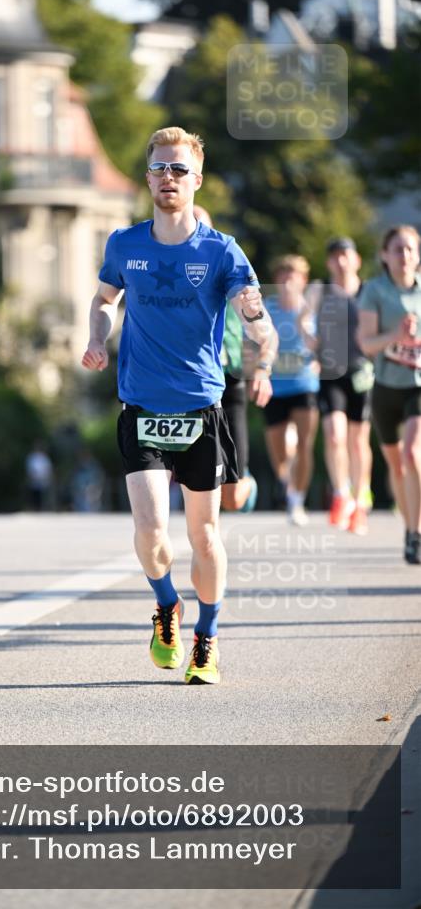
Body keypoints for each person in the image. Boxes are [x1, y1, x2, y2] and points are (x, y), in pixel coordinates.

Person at [81, 126, 276, 685]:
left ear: (196, 180)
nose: (169, 178)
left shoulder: (221, 251)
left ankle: (208, 638)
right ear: (148, 177)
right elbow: (104, 300)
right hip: (141, 406)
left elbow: (254, 313)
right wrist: (98, 336)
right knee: (149, 531)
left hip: (200, 410)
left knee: (204, 536)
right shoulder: (124, 244)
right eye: (160, 168)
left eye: (179, 170)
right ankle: (167, 605)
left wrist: (261, 338)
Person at [194, 205, 275, 512]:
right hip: (187, 382)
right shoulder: (170, 275)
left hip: (229, 379)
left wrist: (263, 369)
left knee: (233, 499)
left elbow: (268, 331)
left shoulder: (230, 271)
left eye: (203, 231)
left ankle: (245, 481)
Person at [357, 225, 421, 564]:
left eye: (410, 249)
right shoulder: (375, 292)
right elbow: (366, 344)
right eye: (397, 249)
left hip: (417, 386)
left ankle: (416, 532)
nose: (404, 255)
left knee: (413, 453)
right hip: (384, 387)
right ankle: (408, 526)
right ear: (385, 255)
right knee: (397, 466)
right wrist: (395, 334)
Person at [306, 237, 373, 534]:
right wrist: (312, 344)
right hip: (330, 371)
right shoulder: (320, 291)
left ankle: (360, 502)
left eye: (346, 255)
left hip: (362, 373)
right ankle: (341, 494)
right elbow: (302, 320)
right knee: (334, 435)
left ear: (357, 260)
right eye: (335, 256)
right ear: (330, 261)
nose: (341, 261)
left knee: (358, 442)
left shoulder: (369, 291)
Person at [263, 254, 320, 526]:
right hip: (274, 386)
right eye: (283, 275)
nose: (288, 280)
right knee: (279, 450)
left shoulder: (310, 311)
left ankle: (297, 500)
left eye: (293, 275)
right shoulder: (267, 308)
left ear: (303, 280)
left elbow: (317, 346)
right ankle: (286, 482)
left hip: (304, 383)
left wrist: (306, 325)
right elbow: (255, 340)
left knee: (304, 445)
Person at [25, 442, 53, 511]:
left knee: (42, 496)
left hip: (43, 480)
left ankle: (42, 509)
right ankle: (34, 509)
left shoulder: (44, 458)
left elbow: (48, 469)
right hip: (34, 480)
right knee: (34, 496)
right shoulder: (32, 457)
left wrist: (47, 478)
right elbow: (29, 469)